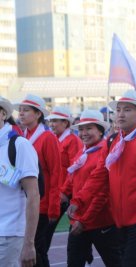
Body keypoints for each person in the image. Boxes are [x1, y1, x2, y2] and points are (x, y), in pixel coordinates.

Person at [68, 90, 136, 267]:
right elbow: (100, 176)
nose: (120, 114)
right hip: (120, 219)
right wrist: (79, 200)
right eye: (118, 110)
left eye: (127, 110)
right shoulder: (112, 141)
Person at [60, 110, 121, 267]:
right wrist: (64, 194)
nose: (83, 133)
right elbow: (72, 177)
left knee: (115, 262)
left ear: (100, 131)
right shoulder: (83, 151)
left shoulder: (105, 152)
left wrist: (84, 220)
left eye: (89, 128)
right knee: (74, 262)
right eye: (81, 129)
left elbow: (103, 192)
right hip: (78, 220)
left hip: (101, 221)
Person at [14, 94, 62, 267]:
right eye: (20, 110)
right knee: (33, 249)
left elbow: (56, 172)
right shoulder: (21, 137)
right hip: (25, 203)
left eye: (26, 110)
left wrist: (54, 206)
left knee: (37, 250)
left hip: (42, 203)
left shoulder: (48, 138)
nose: (21, 113)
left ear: (38, 114)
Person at [0, 96, 40, 267]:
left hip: (9, 235)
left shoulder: (19, 145)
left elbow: (33, 194)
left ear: (3, 114)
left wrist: (29, 243)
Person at [46, 107, 83, 249]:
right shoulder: (54, 139)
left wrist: (65, 192)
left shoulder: (72, 141)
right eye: (51, 121)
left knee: (48, 232)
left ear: (65, 123)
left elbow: (74, 170)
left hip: (67, 195)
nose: (51, 124)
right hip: (56, 192)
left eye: (55, 121)